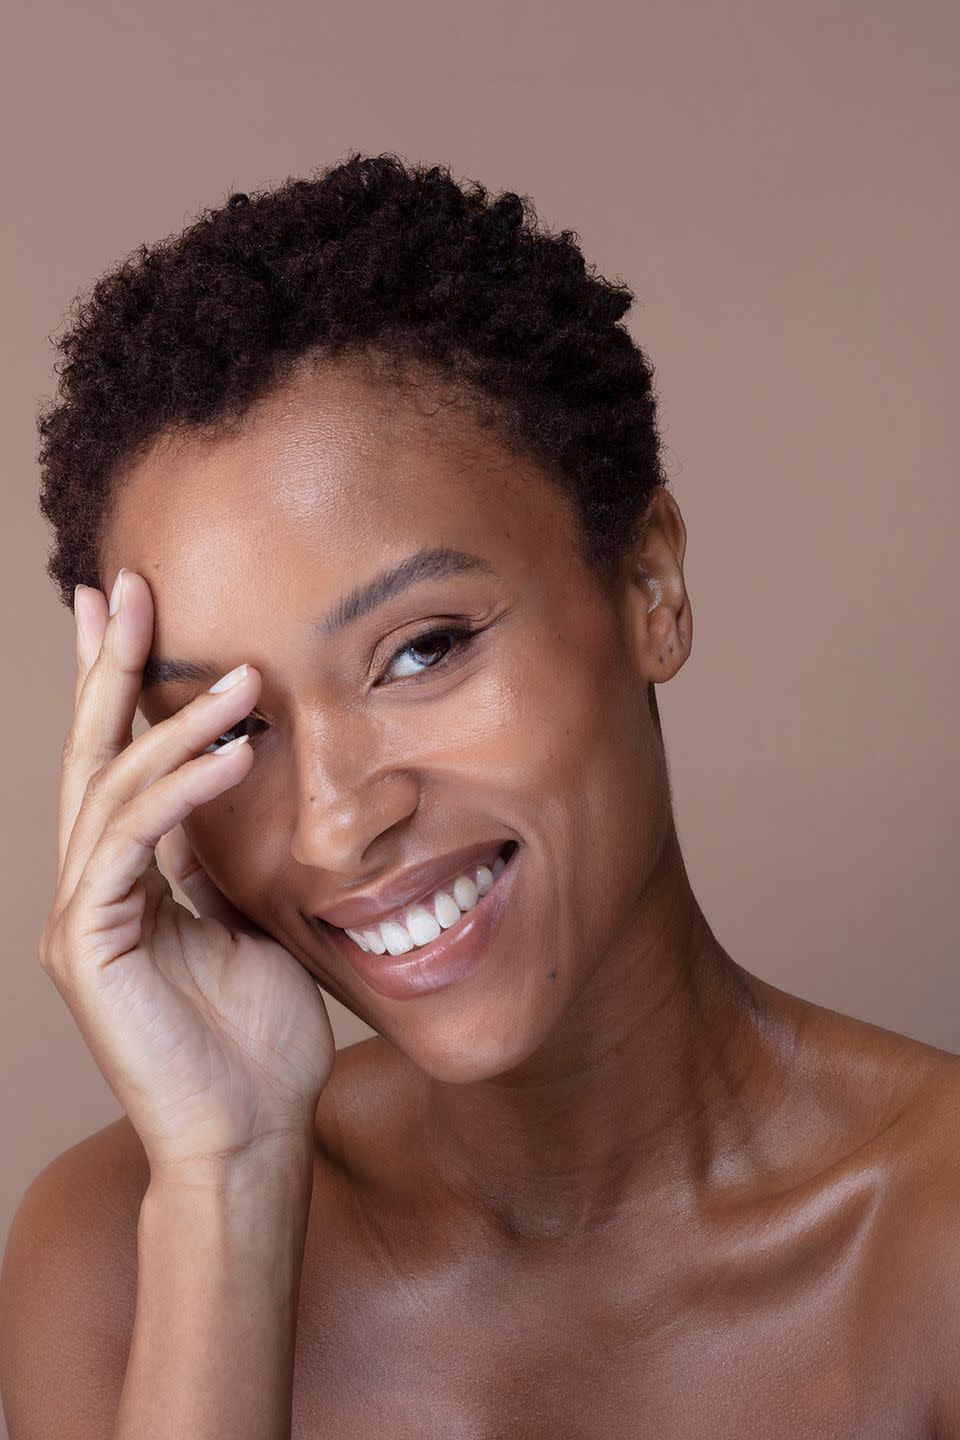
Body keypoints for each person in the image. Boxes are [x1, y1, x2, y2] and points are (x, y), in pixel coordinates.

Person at [1, 152, 957, 1440]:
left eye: (423, 648)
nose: (339, 822)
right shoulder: (111, 1266)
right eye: (226, 725)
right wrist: (229, 1192)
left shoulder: (933, 1244)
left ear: (650, 588)